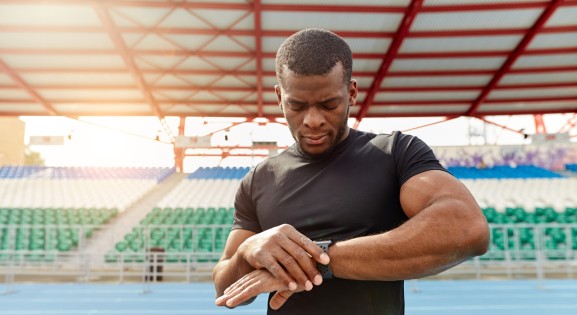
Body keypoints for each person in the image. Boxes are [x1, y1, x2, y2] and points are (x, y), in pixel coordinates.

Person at [212, 28, 490, 315]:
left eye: (329, 104)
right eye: (297, 105)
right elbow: (226, 291)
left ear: (352, 92)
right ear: (279, 98)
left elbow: (467, 228)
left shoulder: (395, 152)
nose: (313, 120)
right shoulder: (259, 179)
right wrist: (246, 255)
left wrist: (316, 260)